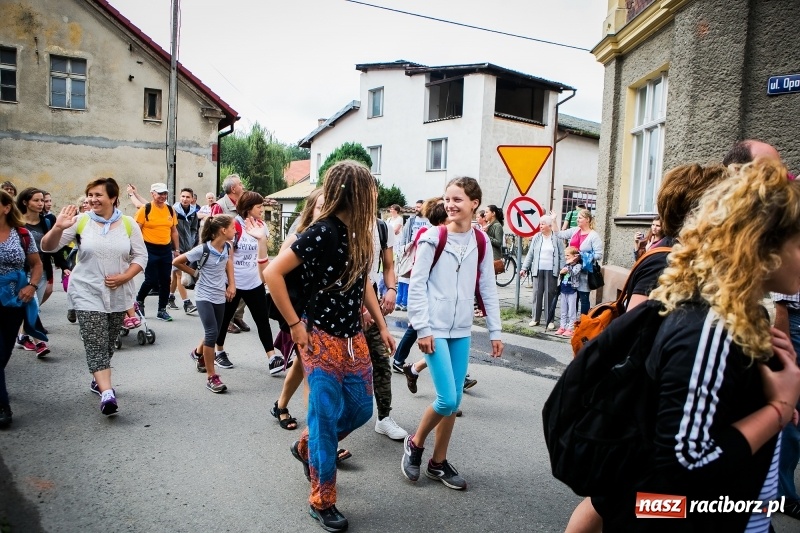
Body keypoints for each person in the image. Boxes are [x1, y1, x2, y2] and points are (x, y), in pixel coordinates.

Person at [574, 158, 800, 533]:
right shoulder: (708, 326)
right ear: (761, 245)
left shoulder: (740, 318)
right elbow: (684, 465)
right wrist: (778, 408)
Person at [265, 160, 394, 532]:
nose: (375, 195)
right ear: (355, 193)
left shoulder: (361, 233)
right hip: (318, 336)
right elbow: (272, 273)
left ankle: (307, 445)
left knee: (359, 410)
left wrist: (382, 327)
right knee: (324, 417)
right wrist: (294, 325)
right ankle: (323, 500)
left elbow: (363, 283)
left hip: (353, 338)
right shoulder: (321, 232)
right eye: (370, 188)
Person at [402, 177, 503, 491]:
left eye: (457, 199)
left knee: (455, 400)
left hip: (461, 329)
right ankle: (415, 444)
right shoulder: (433, 237)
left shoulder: (481, 241)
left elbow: (486, 286)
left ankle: (438, 462)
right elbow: (417, 286)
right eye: (448, 199)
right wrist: (423, 327)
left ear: (474, 203)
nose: (450, 205)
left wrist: (495, 331)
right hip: (434, 328)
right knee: (446, 399)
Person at [41, 178, 147, 416]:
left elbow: (141, 257)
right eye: (89, 194)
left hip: (119, 293)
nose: (92, 199)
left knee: (108, 341)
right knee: (95, 341)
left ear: (113, 198)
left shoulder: (129, 224)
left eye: (98, 195)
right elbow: (48, 247)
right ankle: (107, 392)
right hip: (86, 291)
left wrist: (124, 277)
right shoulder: (81, 221)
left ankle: (98, 380)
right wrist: (58, 227)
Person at [269, 188, 324, 431]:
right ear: (311, 208)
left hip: (320, 313)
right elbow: (273, 275)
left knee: (303, 365)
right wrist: (293, 321)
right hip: (298, 312)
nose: (326, 213)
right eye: (322, 207)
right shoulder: (296, 238)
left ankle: (280, 405)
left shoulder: (331, 239)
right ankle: (316, 438)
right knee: (313, 374)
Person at [212, 191, 283, 372]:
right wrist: (230, 283)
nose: (262, 209)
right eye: (258, 206)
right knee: (224, 318)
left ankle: (272, 358)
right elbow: (227, 256)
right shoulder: (234, 225)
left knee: (262, 320)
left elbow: (263, 255)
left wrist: (265, 277)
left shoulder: (261, 226)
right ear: (248, 208)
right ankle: (218, 351)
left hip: (254, 282)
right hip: (234, 282)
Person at [173, 215, 236, 393]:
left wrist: (232, 284)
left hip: (219, 295)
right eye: (233, 227)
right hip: (203, 295)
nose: (235, 230)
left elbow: (228, 263)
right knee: (212, 333)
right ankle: (212, 377)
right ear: (223, 230)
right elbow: (177, 261)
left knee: (215, 331)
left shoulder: (228, 247)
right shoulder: (202, 249)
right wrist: (194, 273)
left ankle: (197, 353)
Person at [362, 188, 405, 441]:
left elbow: (388, 266)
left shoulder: (381, 227)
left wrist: (391, 289)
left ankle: (384, 417)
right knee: (345, 369)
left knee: (381, 360)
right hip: (346, 304)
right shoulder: (345, 224)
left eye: (372, 191)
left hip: (373, 297)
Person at [0, 190, 44, 427]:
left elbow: (36, 264)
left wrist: (32, 285)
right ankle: (2, 404)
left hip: (14, 299)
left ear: (6, 207)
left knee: (5, 349)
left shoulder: (22, 234)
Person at [15, 188, 59, 357]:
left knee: (33, 307)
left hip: (41, 269)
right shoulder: (16, 223)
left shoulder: (47, 222)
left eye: (42, 200)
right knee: (31, 304)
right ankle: (39, 342)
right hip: (21, 272)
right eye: (36, 200)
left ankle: (22, 335)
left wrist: (64, 265)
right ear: (25, 202)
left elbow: (53, 247)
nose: (41, 203)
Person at [134, 183, 179, 322]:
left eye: (164, 193)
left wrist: (176, 249)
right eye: (159, 193)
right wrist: (136, 249)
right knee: (151, 280)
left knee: (166, 280)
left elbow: (174, 231)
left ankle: (162, 310)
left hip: (165, 248)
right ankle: (139, 301)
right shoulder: (145, 209)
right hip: (149, 248)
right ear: (152, 194)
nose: (162, 196)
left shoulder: (170, 210)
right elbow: (136, 230)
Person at [212, 174, 249, 334]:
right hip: (225, 254)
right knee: (227, 287)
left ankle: (238, 316)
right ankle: (226, 320)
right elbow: (212, 231)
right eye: (241, 184)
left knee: (244, 285)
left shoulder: (243, 205)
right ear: (233, 189)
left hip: (241, 252)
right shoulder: (220, 206)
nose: (243, 186)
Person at [553, 209, 603, 315]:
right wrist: (554, 220)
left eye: (580, 217)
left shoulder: (594, 236)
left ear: (587, 219)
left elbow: (599, 255)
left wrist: (581, 256)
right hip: (572, 271)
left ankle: (583, 322)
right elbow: (559, 234)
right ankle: (572, 323)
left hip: (585, 272)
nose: (577, 219)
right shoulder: (575, 230)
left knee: (584, 299)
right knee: (572, 298)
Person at [520, 215, 564, 329]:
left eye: (543, 224)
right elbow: (530, 253)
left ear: (550, 226)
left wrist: (563, 269)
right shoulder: (537, 237)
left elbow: (561, 255)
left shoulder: (557, 238)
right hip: (538, 269)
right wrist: (524, 268)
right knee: (537, 294)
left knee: (550, 294)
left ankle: (549, 320)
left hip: (551, 270)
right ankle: (535, 318)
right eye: (540, 224)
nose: (541, 226)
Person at [167, 188, 199, 314]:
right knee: (179, 274)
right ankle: (187, 303)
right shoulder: (174, 211)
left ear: (192, 199)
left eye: (188, 197)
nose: (185, 199)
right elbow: (171, 229)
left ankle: (170, 298)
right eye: (183, 196)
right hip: (175, 248)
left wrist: (191, 241)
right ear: (179, 197)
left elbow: (194, 228)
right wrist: (175, 247)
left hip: (187, 247)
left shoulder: (193, 212)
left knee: (175, 275)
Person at [397, 200, 429, 311]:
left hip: (423, 250)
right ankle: (401, 301)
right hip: (411, 250)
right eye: (416, 207)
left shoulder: (429, 221)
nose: (416, 209)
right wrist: (402, 249)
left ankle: (411, 302)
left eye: (419, 207)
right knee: (405, 276)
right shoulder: (411, 220)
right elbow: (404, 236)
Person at [555, 246, 581, 336]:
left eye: (568, 256)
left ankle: (571, 328)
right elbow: (561, 273)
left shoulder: (578, 266)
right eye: (565, 255)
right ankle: (562, 326)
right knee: (563, 310)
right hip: (564, 290)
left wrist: (569, 267)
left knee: (572, 311)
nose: (566, 257)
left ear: (575, 256)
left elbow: (573, 273)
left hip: (572, 290)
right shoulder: (566, 265)